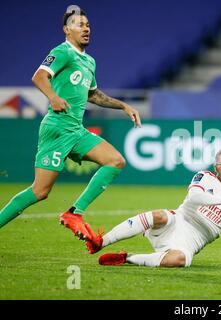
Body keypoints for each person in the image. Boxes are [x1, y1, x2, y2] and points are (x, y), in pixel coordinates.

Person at [0, 7, 141, 243]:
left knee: (115, 161)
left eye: (87, 24)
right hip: (57, 128)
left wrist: (124, 107)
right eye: (79, 24)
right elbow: (39, 76)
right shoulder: (62, 51)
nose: (86, 28)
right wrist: (53, 98)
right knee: (40, 191)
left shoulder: (89, 61)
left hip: (76, 130)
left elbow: (94, 95)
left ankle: (74, 213)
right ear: (67, 30)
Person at [85, 148, 221, 269]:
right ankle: (101, 242)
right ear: (215, 167)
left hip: (190, 243)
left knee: (180, 260)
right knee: (159, 215)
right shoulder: (205, 177)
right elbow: (194, 197)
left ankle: (127, 257)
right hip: (176, 223)